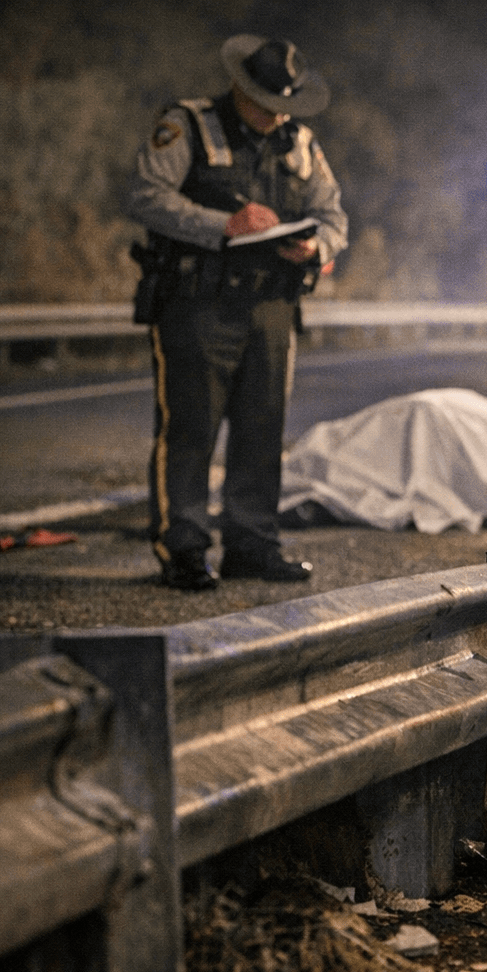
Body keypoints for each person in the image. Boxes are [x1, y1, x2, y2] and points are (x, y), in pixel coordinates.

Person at [125, 35, 348, 590]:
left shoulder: (300, 141)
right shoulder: (189, 124)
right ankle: (184, 548)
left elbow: (333, 217)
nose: (276, 117)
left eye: (285, 106)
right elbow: (147, 196)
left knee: (262, 430)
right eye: (266, 104)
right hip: (199, 301)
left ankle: (252, 545)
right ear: (239, 89)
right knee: (190, 429)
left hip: (272, 306)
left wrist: (315, 246)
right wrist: (220, 224)